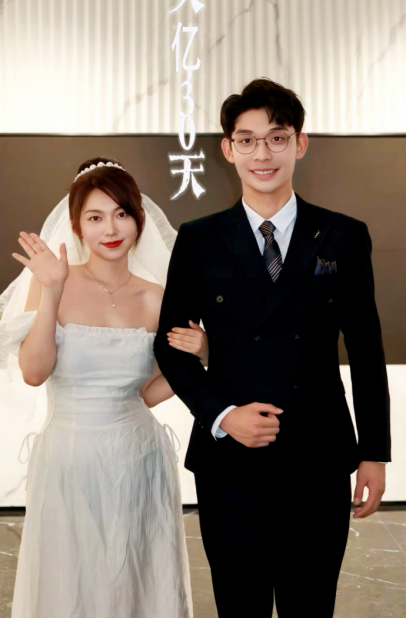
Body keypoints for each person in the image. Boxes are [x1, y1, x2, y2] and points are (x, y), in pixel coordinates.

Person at [154, 78, 391, 618]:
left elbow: (366, 351)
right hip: (230, 463)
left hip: (318, 456)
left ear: (299, 144)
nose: (262, 154)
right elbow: (170, 348)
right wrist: (223, 415)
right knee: (241, 606)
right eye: (247, 140)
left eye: (277, 138)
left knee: (312, 606)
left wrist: (373, 452)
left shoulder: (343, 236)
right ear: (228, 149)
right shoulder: (200, 239)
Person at [0, 157, 208, 619]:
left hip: (140, 457)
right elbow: (34, 372)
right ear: (77, 227)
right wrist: (51, 291)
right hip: (69, 458)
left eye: (121, 214)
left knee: (137, 579)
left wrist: (201, 356)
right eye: (95, 217)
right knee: (72, 581)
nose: (110, 228)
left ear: (139, 220)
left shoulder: (156, 297)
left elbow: (148, 392)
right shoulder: (52, 284)